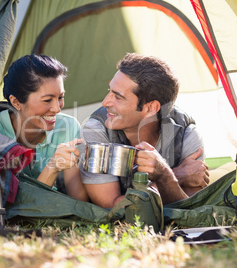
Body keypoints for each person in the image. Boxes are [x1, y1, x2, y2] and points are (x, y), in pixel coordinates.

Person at [80, 53, 209, 207]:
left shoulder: (186, 133)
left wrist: (165, 177)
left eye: (118, 97)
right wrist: (174, 176)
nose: (105, 102)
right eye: (110, 90)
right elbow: (113, 208)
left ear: (150, 108)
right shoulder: (95, 130)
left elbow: (191, 208)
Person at [0, 54, 88, 202]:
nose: (57, 109)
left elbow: (78, 201)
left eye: (60, 97)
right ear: (16, 102)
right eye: (47, 100)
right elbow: (15, 206)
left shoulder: (68, 127)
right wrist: (52, 167)